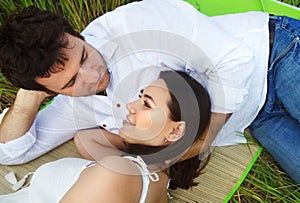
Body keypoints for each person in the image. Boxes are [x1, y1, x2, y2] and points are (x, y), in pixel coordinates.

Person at [0, 0, 299, 184]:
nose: (93, 77)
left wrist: (197, 143)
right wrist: (30, 97)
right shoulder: (69, 106)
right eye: (70, 83)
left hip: (275, 52)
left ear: (76, 35)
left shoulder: (136, 21)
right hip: (257, 114)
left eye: (84, 56)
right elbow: (11, 152)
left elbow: (234, 60)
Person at [0, 70, 212, 203]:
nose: (131, 106)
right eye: (140, 97)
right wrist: (148, 141)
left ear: (175, 130)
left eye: (146, 104)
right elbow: (85, 139)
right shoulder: (152, 177)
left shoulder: (119, 172)